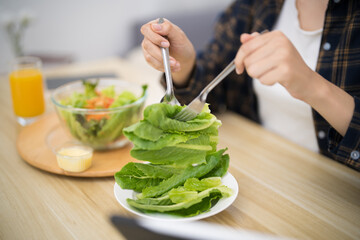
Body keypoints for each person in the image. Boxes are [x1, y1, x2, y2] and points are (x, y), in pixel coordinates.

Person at [140, 0, 360, 171]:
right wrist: (185, 65)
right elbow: (211, 96)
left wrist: (314, 87)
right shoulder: (258, 3)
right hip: (254, 169)